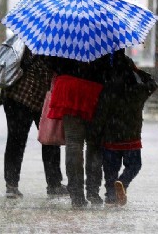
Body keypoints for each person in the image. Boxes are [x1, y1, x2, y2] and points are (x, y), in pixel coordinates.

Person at [0, 47, 68, 199]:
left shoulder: (29, 37)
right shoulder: (52, 45)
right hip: (28, 96)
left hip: (15, 94)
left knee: (17, 141)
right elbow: (55, 70)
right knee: (48, 140)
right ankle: (53, 184)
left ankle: (12, 185)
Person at [90, 50, 157, 206]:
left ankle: (111, 197)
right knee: (134, 165)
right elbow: (153, 84)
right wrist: (137, 70)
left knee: (110, 170)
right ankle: (123, 182)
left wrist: (96, 132)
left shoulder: (107, 88)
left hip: (111, 136)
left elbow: (101, 113)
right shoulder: (139, 90)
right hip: (131, 136)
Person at [45, 55, 111, 208]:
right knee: (94, 145)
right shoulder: (105, 34)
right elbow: (113, 65)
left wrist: (64, 68)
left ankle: (76, 195)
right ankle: (93, 191)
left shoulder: (62, 34)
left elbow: (49, 61)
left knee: (73, 143)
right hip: (95, 89)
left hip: (69, 86)